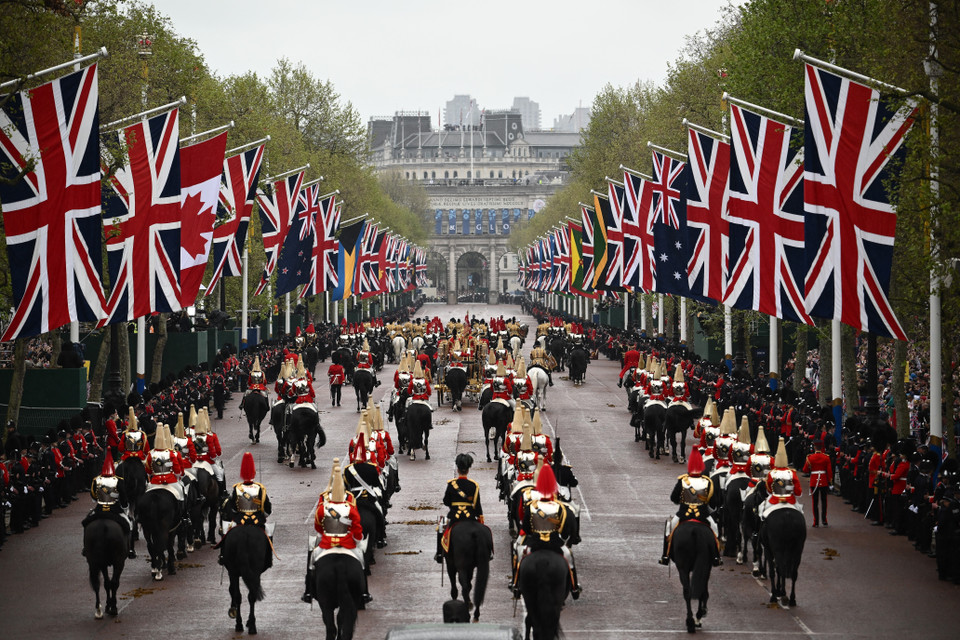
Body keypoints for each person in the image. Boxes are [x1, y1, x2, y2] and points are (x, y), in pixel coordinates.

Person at [302, 461, 370, 604]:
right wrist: (357, 539)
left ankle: (308, 590)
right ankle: (364, 592)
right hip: (347, 541)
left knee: (312, 559)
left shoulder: (323, 499)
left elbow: (318, 525)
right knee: (361, 560)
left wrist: (324, 533)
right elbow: (356, 524)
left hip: (326, 541)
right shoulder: (350, 499)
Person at [514, 464, 581, 599]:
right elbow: (563, 529)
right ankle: (574, 588)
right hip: (554, 543)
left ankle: (516, 585)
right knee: (568, 556)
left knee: (519, 553)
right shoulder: (558, 505)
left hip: (534, 542)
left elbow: (525, 527)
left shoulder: (530, 502)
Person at [660, 447, 721, 567]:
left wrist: (682, 500)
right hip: (703, 515)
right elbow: (713, 501)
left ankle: (665, 556)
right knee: (715, 529)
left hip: (683, 515)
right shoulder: (707, 482)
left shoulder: (682, 480)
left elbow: (673, 498)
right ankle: (716, 557)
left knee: (669, 528)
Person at [435, 453, 487, 563]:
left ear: (458, 469)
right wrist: (480, 518)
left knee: (441, 527)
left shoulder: (451, 484)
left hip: (454, 517)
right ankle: (487, 554)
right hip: (470, 518)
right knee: (484, 533)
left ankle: (439, 553)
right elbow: (477, 505)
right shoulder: (473, 485)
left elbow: (446, 501)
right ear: (468, 470)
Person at [80, 451, 131, 555]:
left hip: (99, 509)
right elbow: (123, 497)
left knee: (86, 523)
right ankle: (130, 549)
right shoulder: (119, 480)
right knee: (129, 525)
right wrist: (125, 507)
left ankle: (86, 548)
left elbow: (93, 496)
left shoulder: (96, 480)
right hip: (115, 509)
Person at [803, 439, 833, 527]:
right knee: (824, 501)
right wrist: (830, 481)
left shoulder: (810, 457)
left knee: (815, 502)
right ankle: (824, 520)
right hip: (823, 481)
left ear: (815, 447)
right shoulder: (826, 457)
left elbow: (805, 470)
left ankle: (816, 522)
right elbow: (829, 471)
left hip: (814, 481)